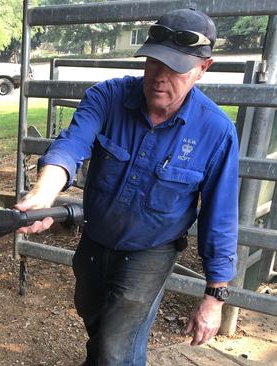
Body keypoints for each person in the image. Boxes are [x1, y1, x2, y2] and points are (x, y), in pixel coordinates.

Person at [15, 9, 238, 365]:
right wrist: (43, 194)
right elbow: (71, 146)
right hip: (96, 240)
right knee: (94, 317)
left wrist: (214, 297)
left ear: (203, 68)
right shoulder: (107, 97)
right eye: (153, 63)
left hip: (151, 251)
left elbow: (220, 216)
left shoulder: (216, 132)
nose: (159, 78)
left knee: (118, 345)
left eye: (176, 68)